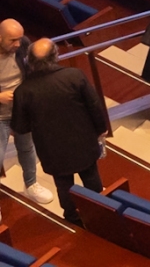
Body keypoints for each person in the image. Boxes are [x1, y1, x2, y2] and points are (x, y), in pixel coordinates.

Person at [11, 38, 107, 225]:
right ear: (55, 56)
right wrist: (101, 129)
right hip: (83, 142)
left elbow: (21, 127)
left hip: (52, 151)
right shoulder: (74, 75)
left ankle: (73, 220)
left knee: (64, 186)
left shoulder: (23, 91)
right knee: (91, 178)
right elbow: (94, 106)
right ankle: (100, 215)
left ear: (30, 61)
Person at [0, 20, 55, 205]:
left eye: (19, 38)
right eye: (12, 40)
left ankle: (31, 184)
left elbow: (33, 70)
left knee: (27, 148)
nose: (18, 44)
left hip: (21, 110)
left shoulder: (22, 44)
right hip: (0, 115)